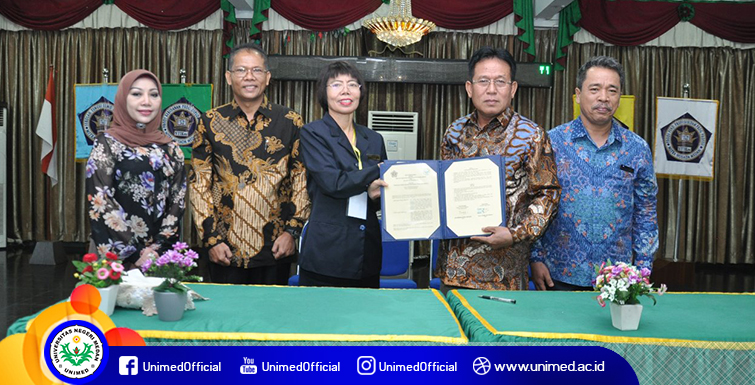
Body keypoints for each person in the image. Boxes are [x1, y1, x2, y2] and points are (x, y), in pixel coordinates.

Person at [435, 47, 561, 292]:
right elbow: (442, 192)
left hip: (504, 275)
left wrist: (515, 234)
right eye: (483, 81)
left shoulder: (531, 136)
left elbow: (549, 194)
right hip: (453, 272)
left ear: (512, 89)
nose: (491, 90)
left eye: (500, 82)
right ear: (469, 88)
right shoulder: (454, 132)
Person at [530, 56, 659, 291]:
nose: (604, 98)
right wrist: (535, 257)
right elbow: (535, 202)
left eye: (612, 90)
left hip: (617, 278)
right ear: (578, 95)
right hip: (558, 272)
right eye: (595, 89)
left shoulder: (637, 148)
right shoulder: (552, 142)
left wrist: (643, 268)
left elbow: (646, 212)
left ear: (619, 98)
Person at [189, 43, 310, 285]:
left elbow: (301, 180)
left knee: (271, 318)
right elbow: (199, 184)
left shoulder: (290, 121)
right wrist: (211, 240)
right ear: (228, 77)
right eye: (241, 70)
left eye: (256, 70)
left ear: (267, 77)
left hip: (276, 245)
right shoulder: (210, 121)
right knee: (227, 318)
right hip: (223, 247)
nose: (249, 77)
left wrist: (291, 233)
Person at [298, 62, 388, 288]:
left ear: (360, 91)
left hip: (366, 251)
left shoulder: (374, 138)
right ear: (324, 92)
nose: (345, 90)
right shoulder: (313, 133)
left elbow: (378, 198)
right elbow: (332, 183)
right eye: (336, 84)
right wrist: (378, 170)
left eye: (352, 84)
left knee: (364, 322)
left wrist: (381, 193)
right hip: (327, 253)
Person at [86, 69, 186, 268]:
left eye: (154, 94)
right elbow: (100, 200)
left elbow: (177, 202)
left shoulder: (171, 148)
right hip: (115, 257)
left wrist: (157, 249)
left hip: (160, 257)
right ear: (123, 98)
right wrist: (135, 252)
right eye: (137, 94)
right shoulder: (108, 144)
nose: (146, 101)